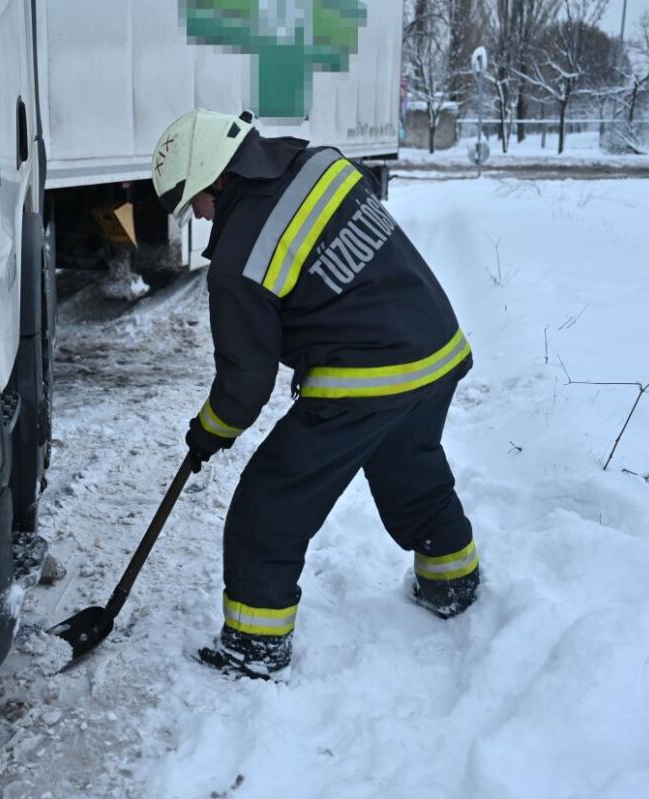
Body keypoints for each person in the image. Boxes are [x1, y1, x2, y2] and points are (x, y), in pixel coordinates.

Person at [151, 109, 480, 680]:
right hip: (436, 348)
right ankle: (453, 582)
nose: (198, 215)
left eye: (193, 200)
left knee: (269, 505)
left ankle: (254, 645)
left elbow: (245, 381)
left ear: (215, 176)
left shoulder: (239, 262)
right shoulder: (320, 163)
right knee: (411, 472)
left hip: (366, 377)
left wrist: (209, 431)